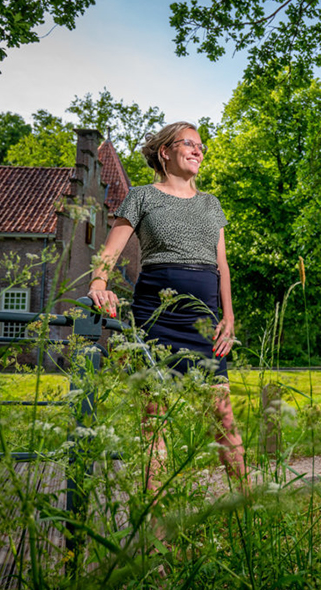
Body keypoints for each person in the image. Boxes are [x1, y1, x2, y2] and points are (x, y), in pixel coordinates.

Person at [87, 121, 245, 487]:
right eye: (189, 143)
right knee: (153, 420)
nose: (198, 151)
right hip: (155, 319)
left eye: (201, 146)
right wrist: (99, 283)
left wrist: (229, 318)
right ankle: (156, 530)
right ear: (165, 152)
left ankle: (247, 515)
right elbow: (110, 252)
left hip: (204, 323)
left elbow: (221, 265)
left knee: (223, 420)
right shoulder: (142, 196)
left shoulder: (211, 204)